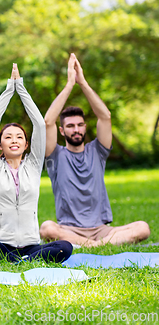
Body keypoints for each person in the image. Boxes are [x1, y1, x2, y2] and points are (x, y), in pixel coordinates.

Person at [40, 53, 150, 247]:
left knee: (143, 227)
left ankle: (92, 244)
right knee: (47, 228)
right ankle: (100, 244)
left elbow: (105, 117)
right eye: (71, 126)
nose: (76, 129)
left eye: (80, 125)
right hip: (69, 229)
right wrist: (69, 85)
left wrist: (82, 83)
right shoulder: (55, 156)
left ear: (84, 127)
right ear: (62, 130)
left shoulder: (98, 151)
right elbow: (48, 121)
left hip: (101, 229)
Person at [0, 64, 72, 263]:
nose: (14, 140)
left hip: (31, 243)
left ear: (26, 144)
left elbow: (40, 124)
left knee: (64, 247)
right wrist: (10, 89)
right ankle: (21, 259)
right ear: (0, 145)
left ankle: (17, 259)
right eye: (8, 137)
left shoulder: (33, 166)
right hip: (2, 242)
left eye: (19, 137)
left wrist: (21, 88)